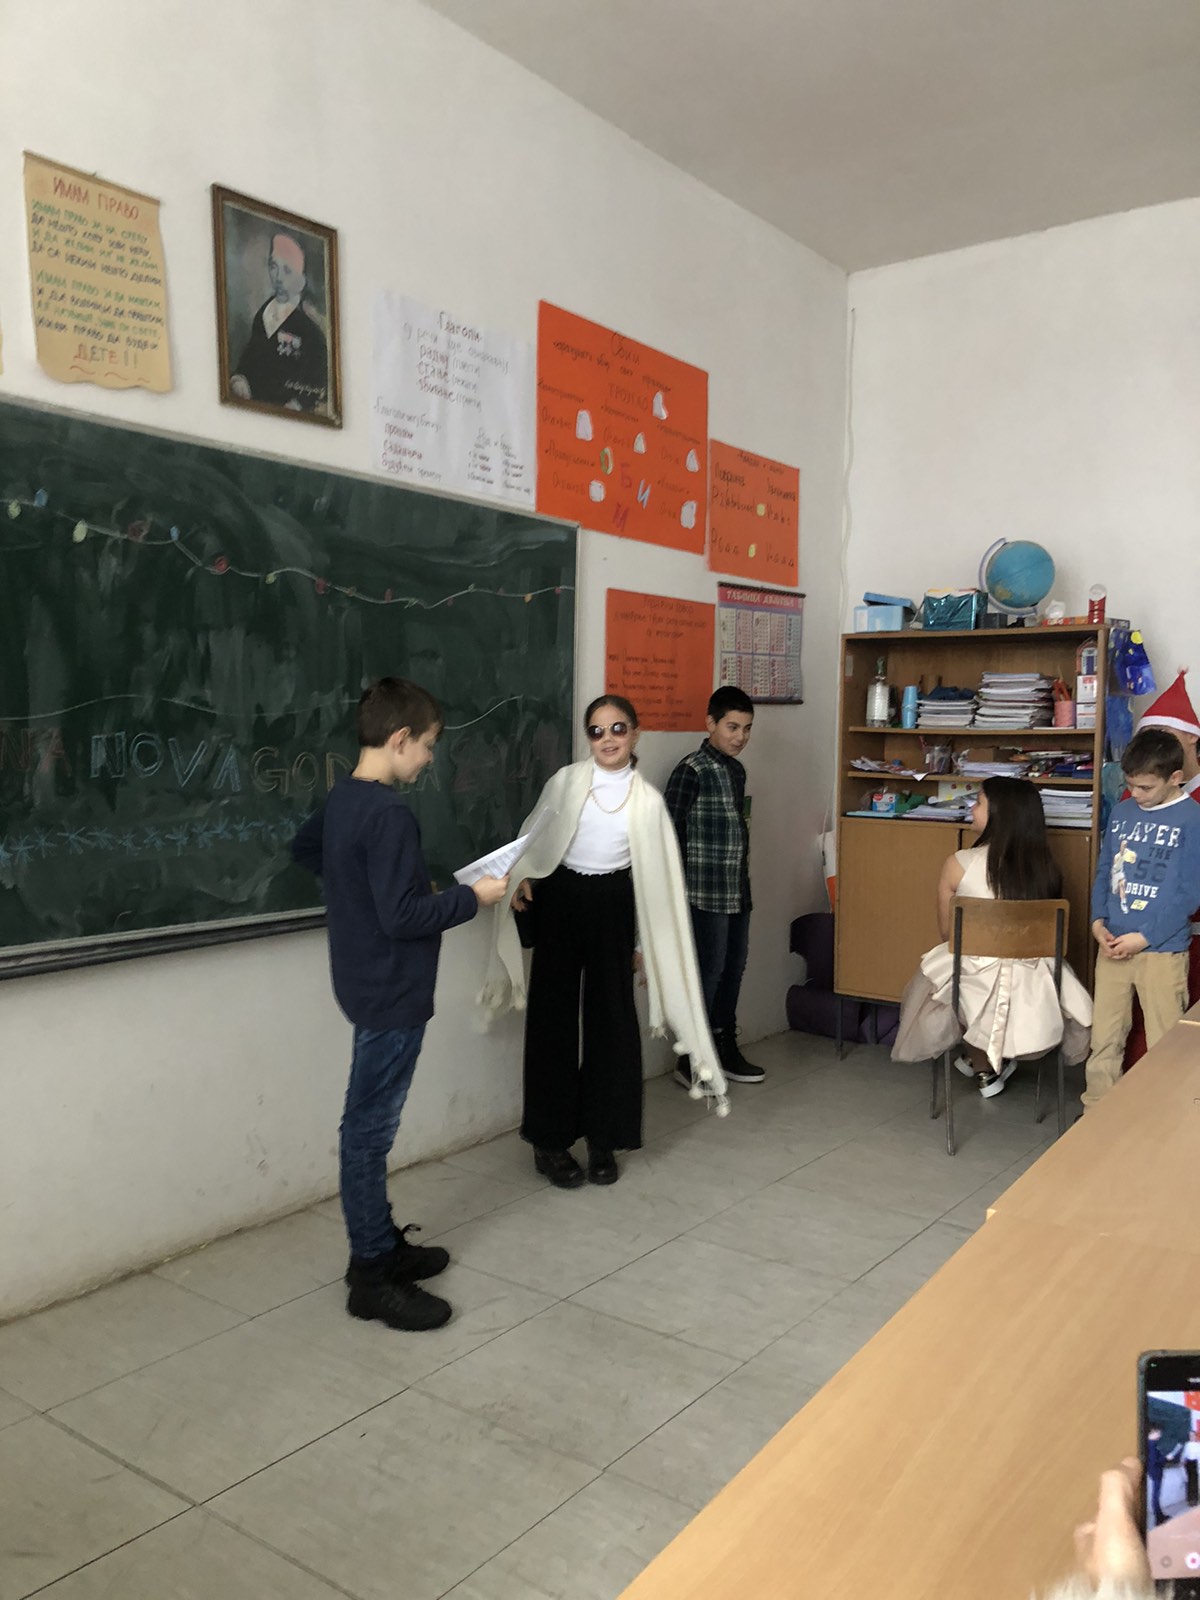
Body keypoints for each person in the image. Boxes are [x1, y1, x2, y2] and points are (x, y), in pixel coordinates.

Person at [292, 678, 509, 1331]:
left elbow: (307, 850)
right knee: (368, 1132)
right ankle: (370, 1275)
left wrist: (370, 891)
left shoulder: (344, 798)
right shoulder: (389, 814)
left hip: (363, 978)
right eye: (429, 745)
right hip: (391, 988)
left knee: (366, 1127)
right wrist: (473, 898)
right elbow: (403, 916)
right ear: (400, 738)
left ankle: (382, 1244)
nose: (431, 758)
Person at [478, 694, 728, 1188]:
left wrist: (644, 944)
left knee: (612, 1021)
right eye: (596, 730)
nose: (607, 739)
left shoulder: (647, 801)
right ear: (587, 737)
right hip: (561, 899)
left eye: (617, 729)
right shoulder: (566, 782)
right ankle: (549, 1142)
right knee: (551, 1019)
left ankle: (603, 1138)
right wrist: (523, 875)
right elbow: (533, 838)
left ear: (635, 733)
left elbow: (656, 882)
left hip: (614, 904)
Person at [891, 776, 1092, 1095]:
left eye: (979, 802)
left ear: (1000, 813)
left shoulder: (959, 864)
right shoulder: (1048, 869)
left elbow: (948, 934)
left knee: (947, 973)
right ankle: (987, 1061)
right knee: (997, 980)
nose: (971, 808)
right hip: (1037, 981)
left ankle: (981, 1064)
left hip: (976, 979)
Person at [1083, 725, 1200, 1109]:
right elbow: (1106, 870)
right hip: (1113, 944)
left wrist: (1144, 937)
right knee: (1104, 1039)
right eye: (1130, 785)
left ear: (1175, 777)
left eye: (1146, 787)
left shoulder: (1192, 819)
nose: (1136, 794)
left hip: (1161, 952)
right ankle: (1096, 1114)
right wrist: (1098, 921)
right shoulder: (1122, 812)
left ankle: (1165, 1122)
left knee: (1166, 1043)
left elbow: (1189, 894)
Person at [664, 685, 765, 1087]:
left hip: (736, 889)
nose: (740, 737)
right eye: (732, 727)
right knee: (708, 972)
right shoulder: (690, 770)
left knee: (734, 969)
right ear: (710, 724)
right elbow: (669, 833)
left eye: (747, 728)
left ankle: (724, 1046)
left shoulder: (737, 771)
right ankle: (691, 1057)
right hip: (702, 893)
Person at [1123, 670, 1200, 1069]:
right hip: (1138, 932)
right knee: (1137, 1027)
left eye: (1167, 736)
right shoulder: (1137, 796)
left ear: (1191, 738)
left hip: (1190, 931)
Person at [230, 230, 329, 411]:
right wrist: (240, 378)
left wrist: (299, 403)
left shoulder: (310, 330)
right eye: (274, 267)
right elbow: (252, 354)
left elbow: (318, 378)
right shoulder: (264, 315)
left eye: (287, 271)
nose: (278, 277)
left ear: (301, 280)